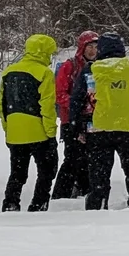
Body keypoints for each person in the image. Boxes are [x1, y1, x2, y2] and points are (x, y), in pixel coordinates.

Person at [84, 33, 129, 209]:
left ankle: (99, 202)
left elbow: (78, 100)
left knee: (100, 170)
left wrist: (77, 126)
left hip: (99, 127)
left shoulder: (92, 69)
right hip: (127, 126)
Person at [0, 33, 61, 211]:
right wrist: (50, 133)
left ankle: (10, 203)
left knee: (17, 173)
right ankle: (38, 204)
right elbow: (47, 106)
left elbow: (0, 103)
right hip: (38, 131)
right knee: (47, 171)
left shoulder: (9, 71)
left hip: (15, 132)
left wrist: (7, 127)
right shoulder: (44, 73)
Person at [50, 29, 99, 200]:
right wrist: (78, 105)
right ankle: (60, 195)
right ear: (82, 48)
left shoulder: (100, 66)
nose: (93, 51)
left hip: (93, 120)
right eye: (89, 47)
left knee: (89, 157)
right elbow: (59, 93)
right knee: (72, 158)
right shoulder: (69, 66)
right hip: (70, 119)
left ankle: (84, 190)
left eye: (95, 47)